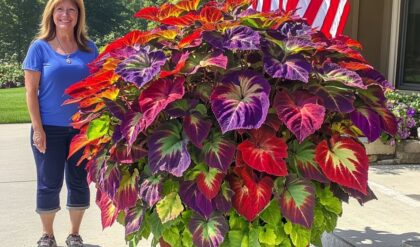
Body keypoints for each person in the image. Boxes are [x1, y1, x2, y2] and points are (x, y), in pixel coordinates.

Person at [22, 0, 98, 246]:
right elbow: (31, 92)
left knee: (78, 182)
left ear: (79, 15)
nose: (66, 14)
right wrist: (37, 129)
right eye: (60, 9)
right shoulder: (39, 48)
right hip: (48, 130)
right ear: (52, 14)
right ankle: (47, 235)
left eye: (72, 10)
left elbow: (98, 89)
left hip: (82, 130)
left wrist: (94, 122)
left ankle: (74, 234)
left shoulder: (90, 49)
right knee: (48, 183)